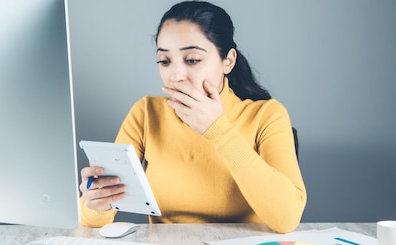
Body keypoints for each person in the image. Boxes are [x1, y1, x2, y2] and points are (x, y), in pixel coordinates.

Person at [79, 1, 306, 233]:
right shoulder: (146, 113)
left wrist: (218, 130)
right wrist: (97, 201)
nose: (175, 76)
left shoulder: (266, 115)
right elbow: (91, 222)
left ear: (228, 61)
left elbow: (286, 219)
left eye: (192, 60)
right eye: (165, 61)